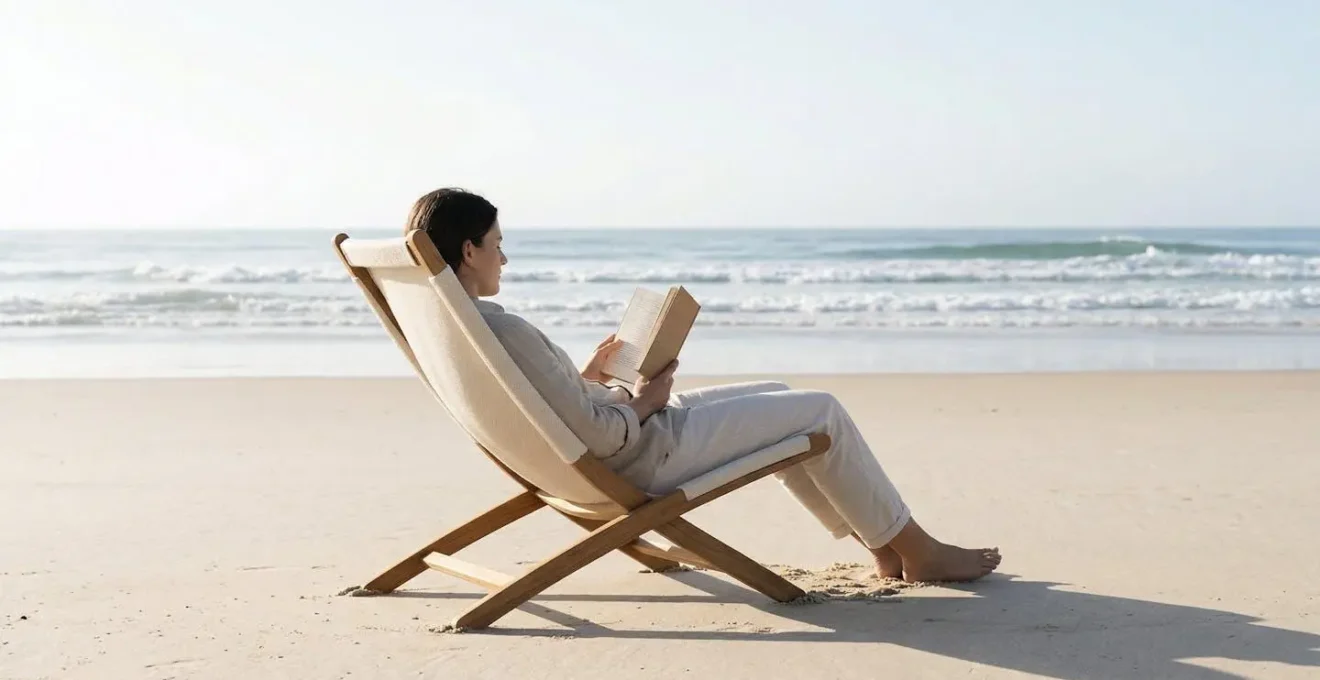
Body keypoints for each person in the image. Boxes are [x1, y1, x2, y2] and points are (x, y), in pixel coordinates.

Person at [405, 187, 1002, 583]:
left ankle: (882, 543)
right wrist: (646, 401)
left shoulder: (454, 328)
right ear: (468, 248)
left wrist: (584, 380)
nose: (504, 259)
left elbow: (541, 408)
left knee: (781, 391)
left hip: (605, 445)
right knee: (819, 412)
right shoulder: (504, 332)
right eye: (498, 245)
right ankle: (916, 550)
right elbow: (603, 440)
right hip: (641, 456)